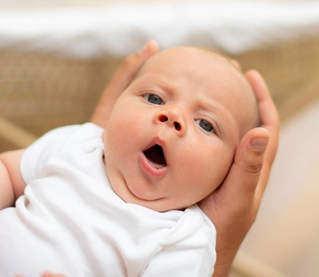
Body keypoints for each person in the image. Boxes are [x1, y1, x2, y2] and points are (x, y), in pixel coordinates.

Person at [3, 42, 279, 277]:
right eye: (154, 98)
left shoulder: (185, 239)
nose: (172, 116)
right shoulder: (78, 142)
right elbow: (8, 171)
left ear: (227, 173)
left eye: (205, 124)